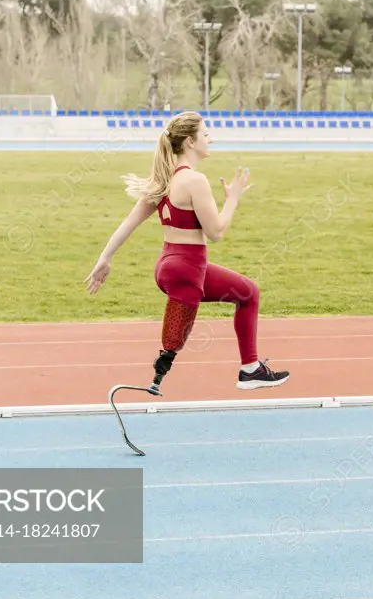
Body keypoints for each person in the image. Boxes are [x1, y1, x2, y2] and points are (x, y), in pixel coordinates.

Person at [83, 111, 290, 392]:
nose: (211, 139)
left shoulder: (162, 179)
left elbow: (128, 223)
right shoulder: (194, 181)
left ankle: (250, 369)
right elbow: (215, 232)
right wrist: (232, 199)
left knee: (248, 292)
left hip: (170, 266)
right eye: (206, 134)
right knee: (173, 341)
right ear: (190, 142)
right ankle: (167, 364)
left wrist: (104, 258)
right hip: (187, 269)